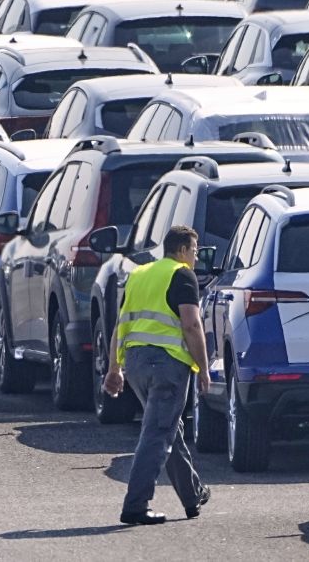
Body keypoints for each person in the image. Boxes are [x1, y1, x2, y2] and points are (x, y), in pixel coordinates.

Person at [103, 225, 212, 526]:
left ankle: (192, 497)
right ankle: (135, 505)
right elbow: (191, 324)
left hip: (136, 364)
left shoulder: (138, 275)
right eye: (195, 250)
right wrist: (203, 368)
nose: (196, 257)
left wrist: (114, 368)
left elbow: (118, 326)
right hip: (168, 365)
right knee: (156, 434)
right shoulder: (181, 274)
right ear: (182, 250)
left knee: (166, 428)